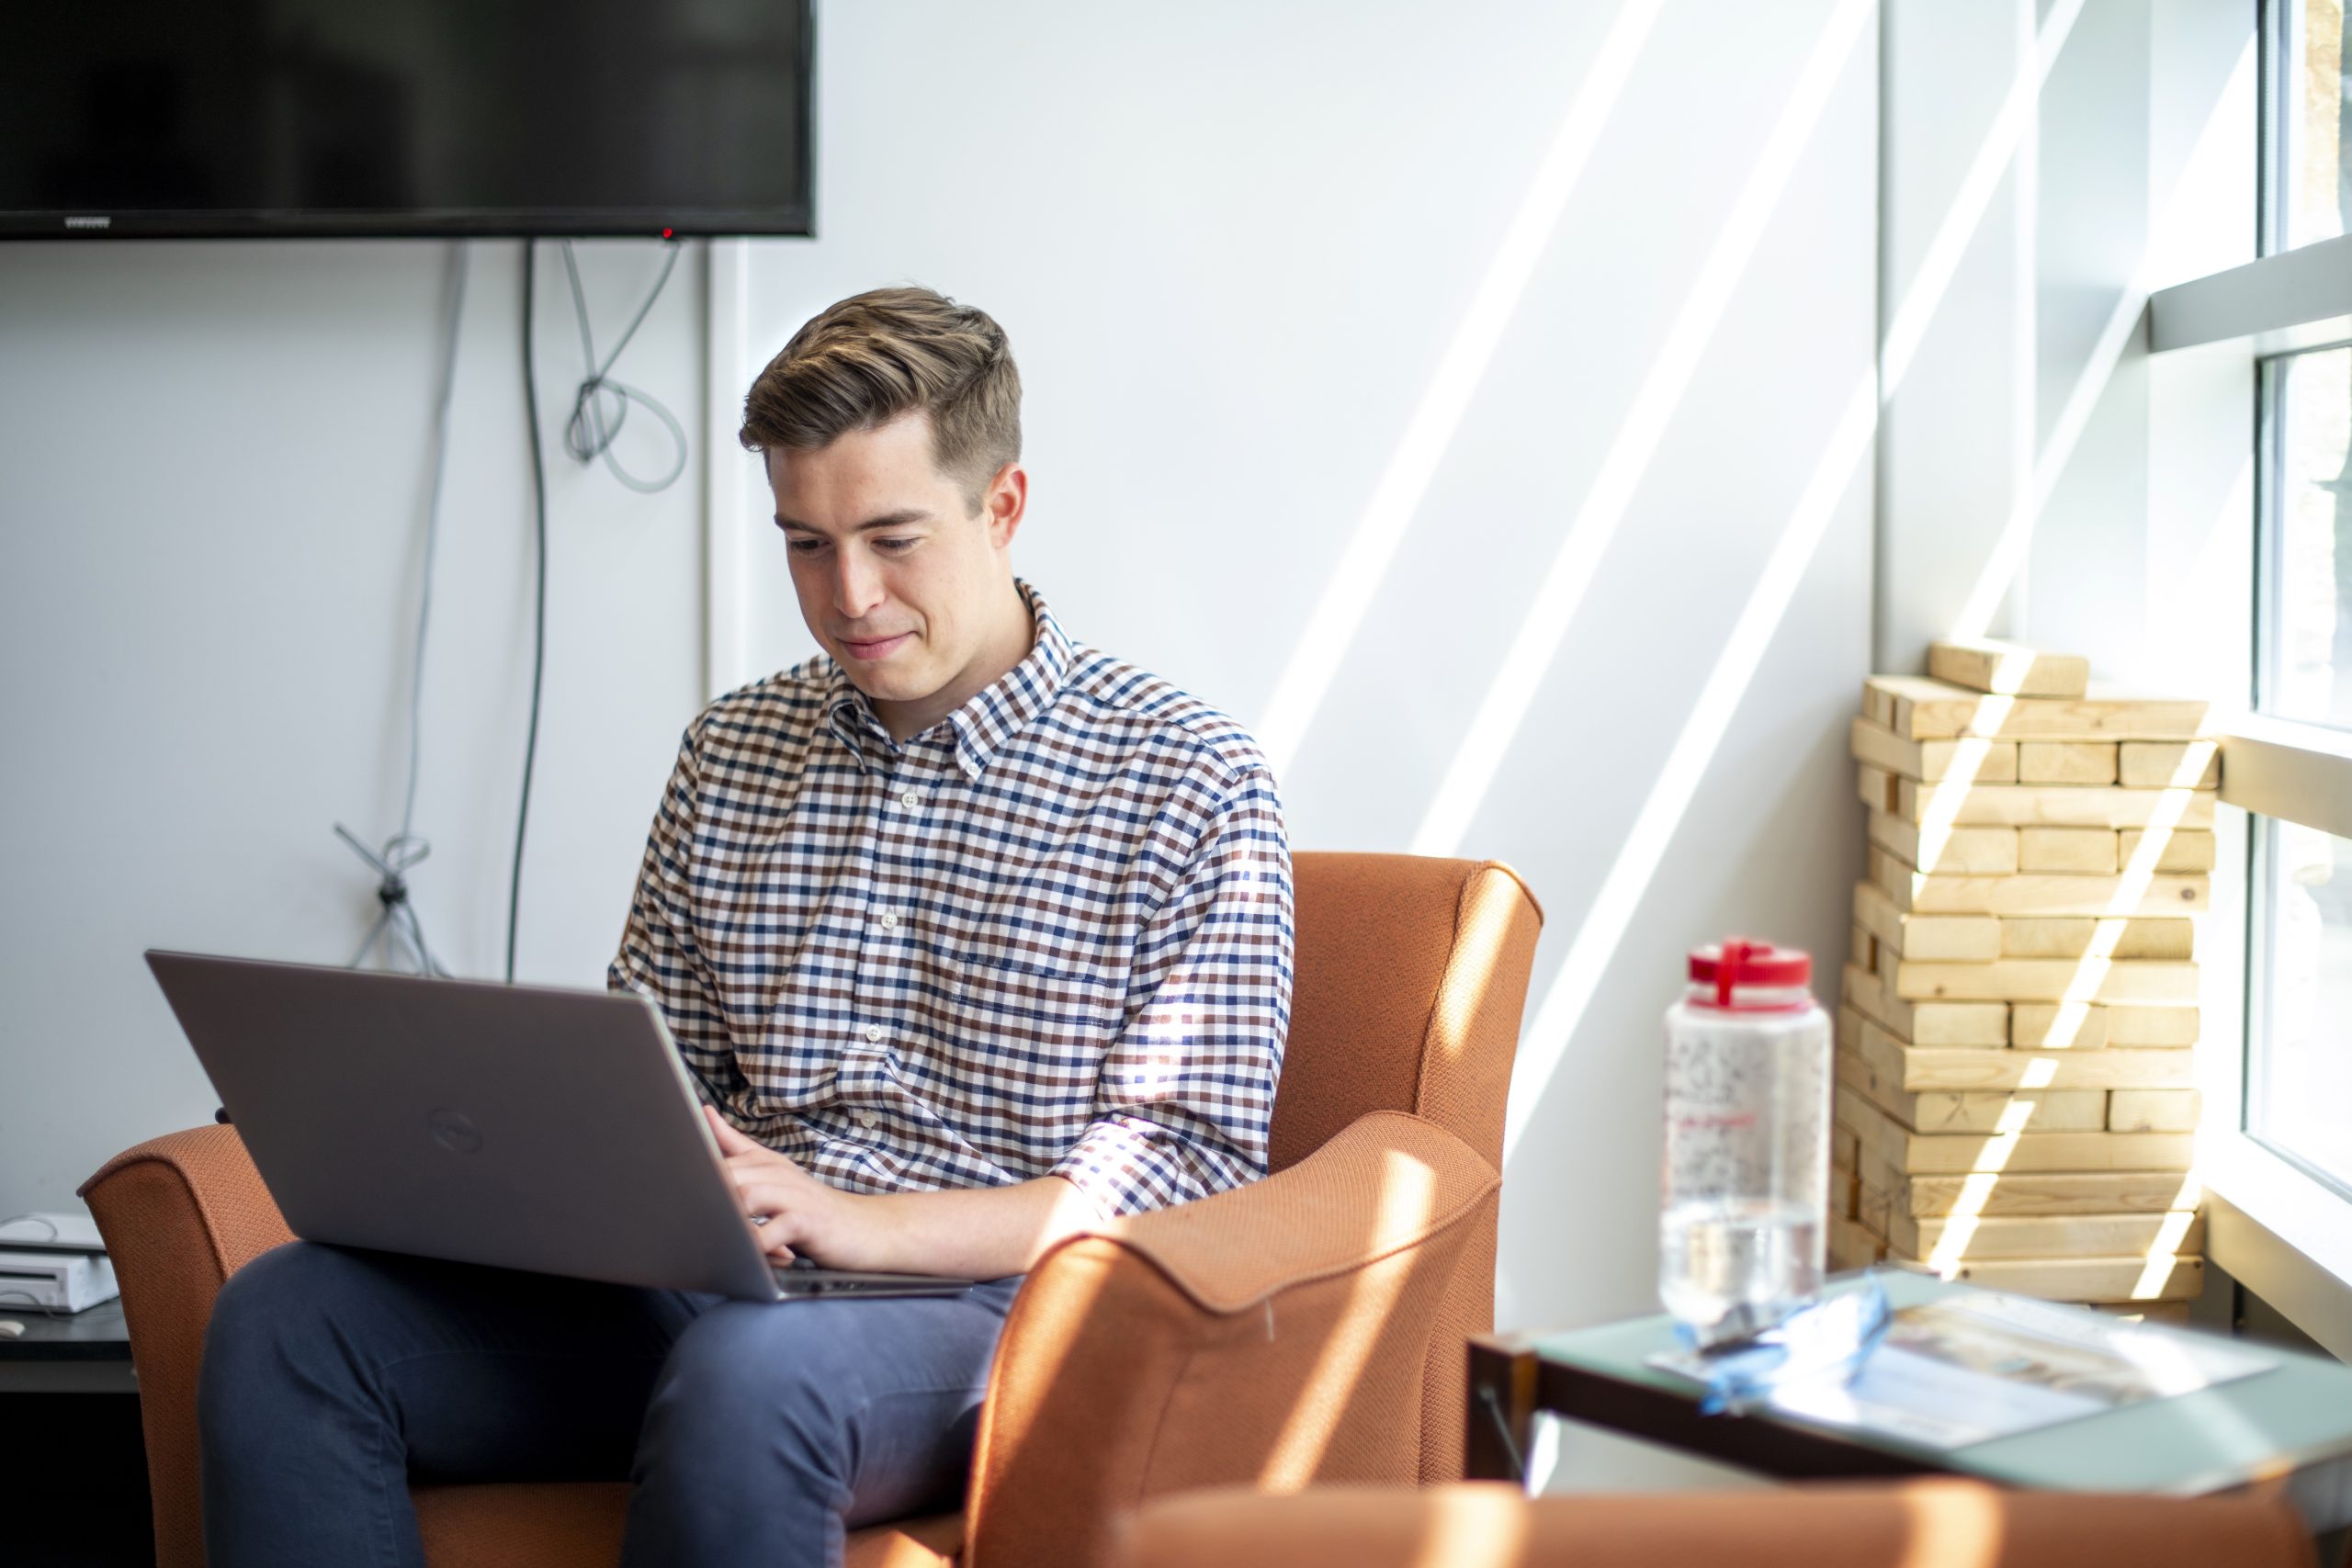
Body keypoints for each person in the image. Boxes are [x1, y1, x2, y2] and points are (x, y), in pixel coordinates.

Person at [195, 286, 1295, 1568]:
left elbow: (1189, 1171)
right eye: (806, 544)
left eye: (892, 538)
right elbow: (653, 1077)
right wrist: (460, 1146)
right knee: (289, 1319)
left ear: (1001, 507)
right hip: (714, 1292)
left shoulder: (1188, 779)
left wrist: (862, 1223)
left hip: (990, 1310)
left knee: (751, 1373)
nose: (850, 596)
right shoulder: (731, 752)